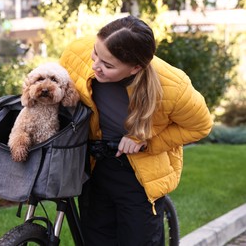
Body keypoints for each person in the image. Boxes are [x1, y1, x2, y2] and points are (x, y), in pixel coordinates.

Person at [59, 15, 213, 245]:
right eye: (96, 53)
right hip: (94, 166)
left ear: (135, 68)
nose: (95, 66)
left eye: (108, 65)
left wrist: (146, 141)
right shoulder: (76, 52)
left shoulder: (173, 87)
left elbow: (200, 125)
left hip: (138, 175)